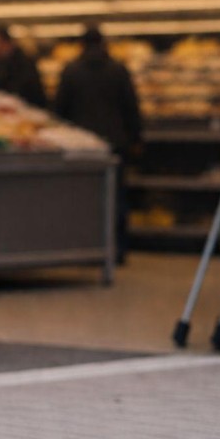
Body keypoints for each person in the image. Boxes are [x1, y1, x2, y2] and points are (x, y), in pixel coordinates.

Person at [53, 25, 142, 264]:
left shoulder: (71, 71)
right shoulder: (118, 70)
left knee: (83, 199)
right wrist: (135, 138)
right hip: (115, 142)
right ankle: (118, 249)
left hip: (82, 145)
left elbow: (60, 109)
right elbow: (131, 106)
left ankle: (87, 248)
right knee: (117, 197)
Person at [0, 24, 47, 109]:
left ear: (4, 42)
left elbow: (26, 92)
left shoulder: (23, 62)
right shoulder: (0, 62)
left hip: (28, 110)